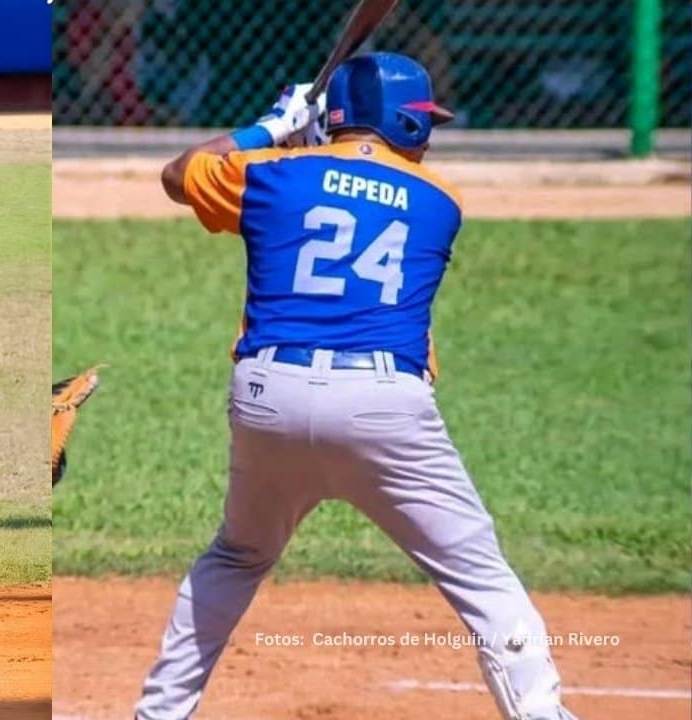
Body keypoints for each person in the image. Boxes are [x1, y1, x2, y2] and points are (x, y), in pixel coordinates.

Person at [135, 53, 579, 720]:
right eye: (424, 122)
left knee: (237, 554)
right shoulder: (441, 201)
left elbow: (177, 176)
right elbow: (362, 191)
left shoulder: (271, 174)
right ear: (401, 122)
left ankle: (158, 714)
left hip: (268, 397)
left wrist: (269, 128)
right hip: (383, 407)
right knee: (483, 578)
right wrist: (310, 145)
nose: (429, 135)